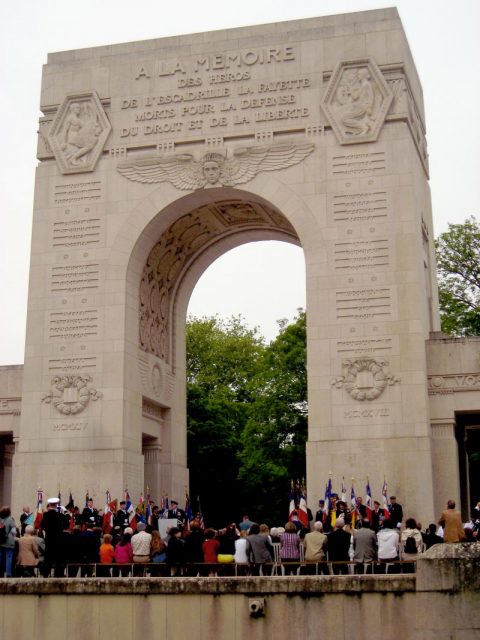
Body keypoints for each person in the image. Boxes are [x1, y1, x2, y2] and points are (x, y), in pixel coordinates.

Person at [40, 497, 63, 577]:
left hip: (49, 539)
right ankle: (58, 575)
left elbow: (42, 525)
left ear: (49, 505)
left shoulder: (46, 515)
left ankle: (45, 574)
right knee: (58, 558)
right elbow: (62, 527)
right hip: (58, 540)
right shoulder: (59, 515)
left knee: (48, 558)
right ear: (56, 505)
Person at [0, 506, 17, 578]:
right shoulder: (10, 520)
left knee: (0, 558)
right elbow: (14, 532)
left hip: (0, 541)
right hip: (9, 542)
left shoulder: (0, 519)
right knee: (9, 558)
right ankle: (8, 573)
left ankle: (0, 573)